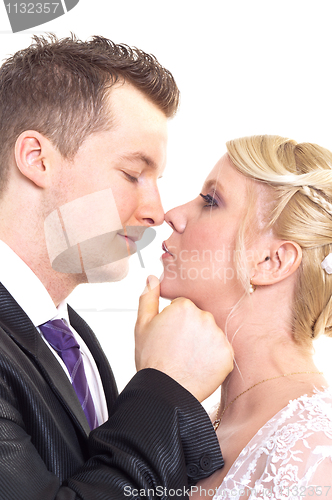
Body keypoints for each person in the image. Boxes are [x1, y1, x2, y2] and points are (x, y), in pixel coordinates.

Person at [0, 34, 234, 499]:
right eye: (133, 174)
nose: (157, 211)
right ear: (36, 158)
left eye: (157, 180)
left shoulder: (76, 340)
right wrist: (166, 391)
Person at [160, 135, 332, 499]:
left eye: (210, 201)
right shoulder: (200, 424)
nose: (172, 214)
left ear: (271, 262)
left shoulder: (316, 452)